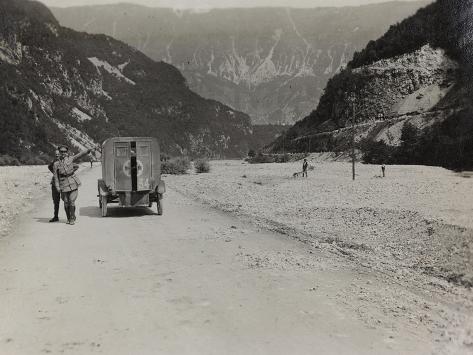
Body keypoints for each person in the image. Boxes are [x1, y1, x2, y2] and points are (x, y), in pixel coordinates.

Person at [53, 145, 95, 225]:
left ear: (67, 152)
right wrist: (57, 187)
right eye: (61, 151)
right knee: (66, 202)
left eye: (65, 151)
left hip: (73, 182)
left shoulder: (71, 159)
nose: (63, 153)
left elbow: (80, 155)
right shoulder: (56, 164)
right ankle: (69, 218)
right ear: (59, 152)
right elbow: (55, 177)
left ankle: (72, 218)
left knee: (71, 201)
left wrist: (88, 150)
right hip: (63, 183)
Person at [47, 150, 61, 222]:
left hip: (64, 183)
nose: (57, 155)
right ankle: (56, 216)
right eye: (56, 154)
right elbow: (49, 166)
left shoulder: (64, 161)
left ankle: (70, 217)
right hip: (54, 183)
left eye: (58, 154)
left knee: (68, 201)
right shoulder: (53, 162)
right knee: (55, 201)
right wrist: (54, 172)